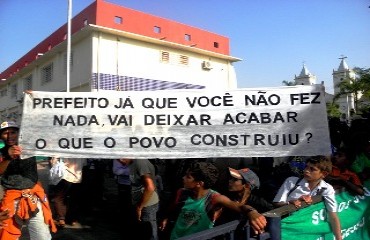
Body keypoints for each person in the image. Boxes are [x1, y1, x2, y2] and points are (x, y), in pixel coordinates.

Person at [159, 161, 267, 240]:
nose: (183, 178)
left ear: (199, 183)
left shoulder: (215, 198)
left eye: (188, 177)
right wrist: (166, 218)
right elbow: (173, 207)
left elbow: (238, 206)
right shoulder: (181, 192)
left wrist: (252, 212)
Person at [0, 121, 56, 239]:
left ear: (19, 133)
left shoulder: (30, 148)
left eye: (13, 132)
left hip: (33, 198)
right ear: (1, 136)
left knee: (41, 236)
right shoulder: (1, 153)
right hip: (11, 199)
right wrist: (8, 157)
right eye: (5, 133)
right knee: (8, 235)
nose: (10, 136)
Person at [273, 155, 342, 240]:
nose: (306, 171)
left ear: (323, 174)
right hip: (288, 229)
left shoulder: (327, 189)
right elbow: (277, 203)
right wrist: (290, 203)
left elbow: (333, 215)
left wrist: (339, 238)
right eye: (306, 167)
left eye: (312, 169)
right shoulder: (291, 181)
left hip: (310, 230)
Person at [215, 167, 273, 235]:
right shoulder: (226, 199)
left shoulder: (259, 203)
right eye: (231, 178)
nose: (230, 181)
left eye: (235, 179)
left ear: (246, 185)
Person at [119, 158, 159, 240]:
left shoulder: (140, 162)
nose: (120, 160)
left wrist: (140, 207)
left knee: (149, 232)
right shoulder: (132, 163)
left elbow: (150, 187)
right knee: (142, 230)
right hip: (141, 202)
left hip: (148, 204)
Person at [49, 157, 87, 228]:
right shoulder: (82, 151)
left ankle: (61, 218)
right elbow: (84, 164)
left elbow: (54, 160)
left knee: (59, 198)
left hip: (65, 176)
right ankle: (72, 219)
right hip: (77, 178)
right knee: (74, 199)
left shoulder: (64, 148)